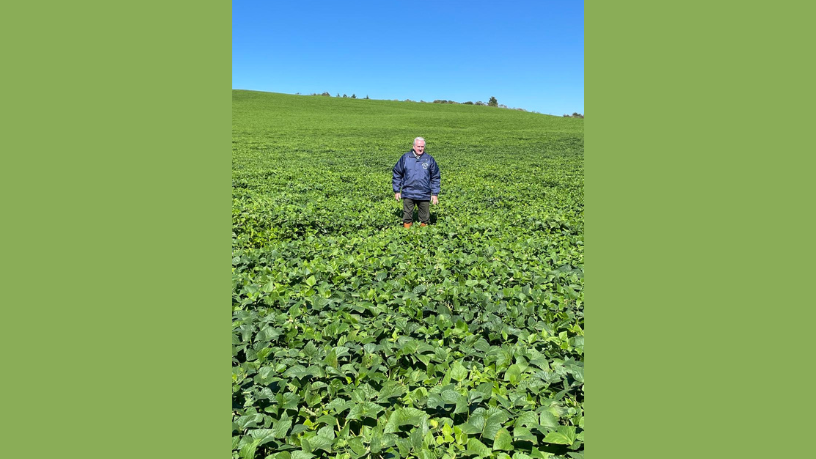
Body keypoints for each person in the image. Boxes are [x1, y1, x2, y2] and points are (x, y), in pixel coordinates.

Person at [392, 137, 441, 228]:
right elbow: (397, 173)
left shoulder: (429, 159)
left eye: (422, 146)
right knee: (407, 217)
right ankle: (406, 236)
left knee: (425, 218)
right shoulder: (406, 158)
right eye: (418, 146)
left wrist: (435, 194)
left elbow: (435, 177)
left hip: (424, 193)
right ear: (413, 146)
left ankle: (423, 237)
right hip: (408, 192)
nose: (420, 148)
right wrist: (397, 190)